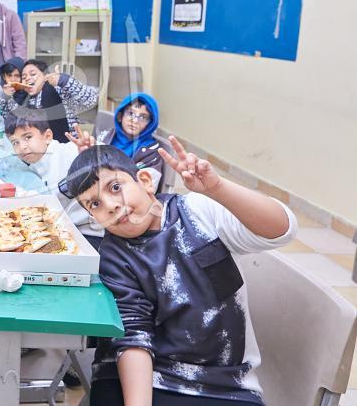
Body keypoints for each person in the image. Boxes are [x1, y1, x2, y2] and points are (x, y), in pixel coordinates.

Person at [65, 141, 297, 404]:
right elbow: (133, 338)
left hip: (225, 382)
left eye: (115, 187)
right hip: (140, 375)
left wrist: (218, 189)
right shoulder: (114, 255)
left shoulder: (196, 211)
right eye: (95, 203)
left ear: (145, 181)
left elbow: (282, 230)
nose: (110, 205)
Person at [4, 111, 102, 245]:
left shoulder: (70, 152)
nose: (22, 147)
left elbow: (107, 161)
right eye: (15, 143)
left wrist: (91, 153)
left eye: (27, 137)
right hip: (66, 228)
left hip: (93, 234)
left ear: (47, 136)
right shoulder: (35, 165)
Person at [16, 60, 99, 139]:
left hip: (68, 144)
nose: (27, 78)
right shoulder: (25, 99)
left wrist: (63, 80)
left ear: (45, 76)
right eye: (24, 77)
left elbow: (91, 99)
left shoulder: (59, 89)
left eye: (33, 74)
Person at [97, 93, 165, 187]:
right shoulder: (105, 137)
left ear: (150, 124)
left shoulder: (151, 152)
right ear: (120, 116)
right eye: (131, 113)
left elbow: (148, 186)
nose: (135, 121)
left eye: (143, 117)